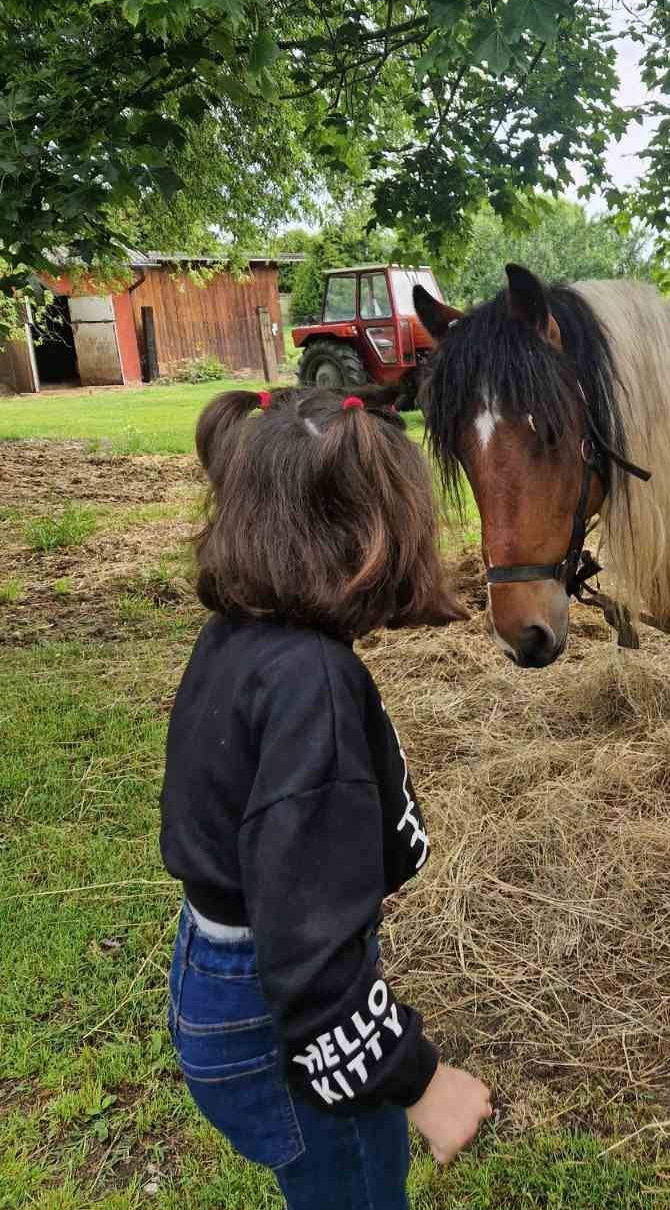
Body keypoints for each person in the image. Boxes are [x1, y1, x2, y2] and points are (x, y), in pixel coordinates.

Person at [159, 386, 491, 1209]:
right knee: (356, 1180)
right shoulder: (315, 687)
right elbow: (311, 964)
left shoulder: (240, 636)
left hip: (212, 965)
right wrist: (422, 1082)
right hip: (268, 1013)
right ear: (370, 539)